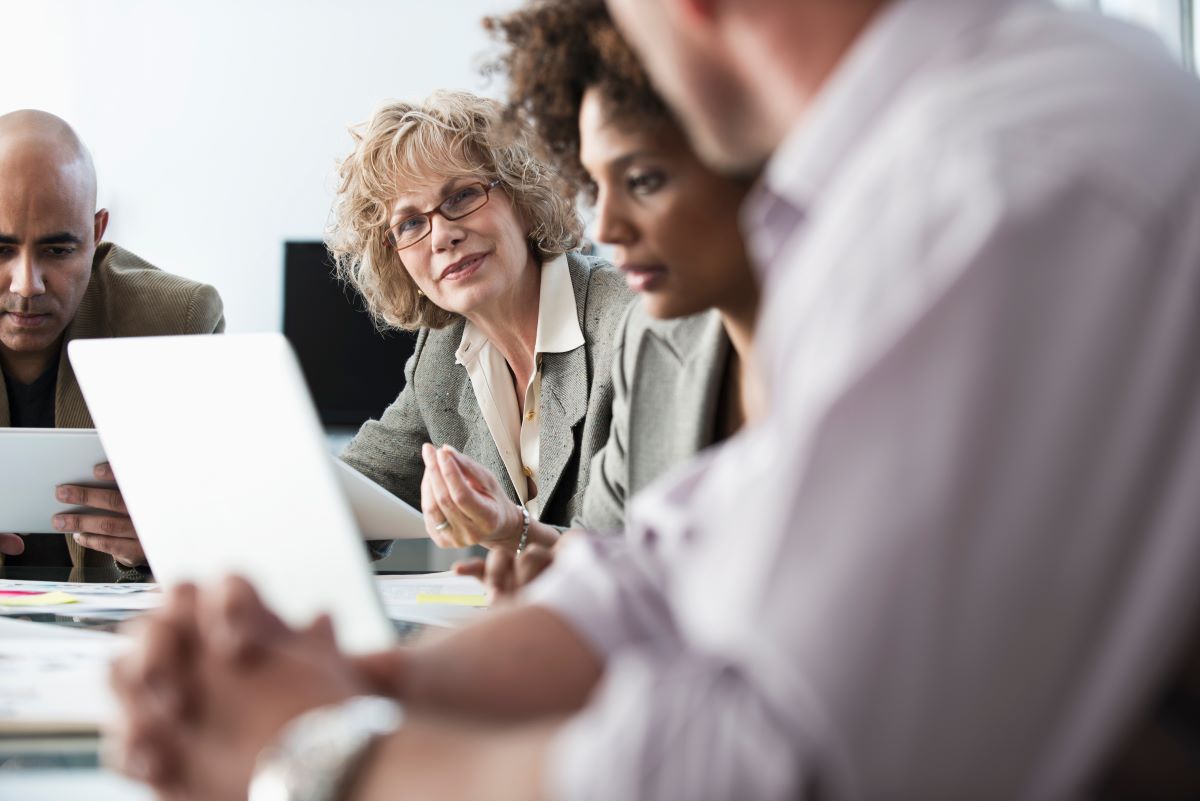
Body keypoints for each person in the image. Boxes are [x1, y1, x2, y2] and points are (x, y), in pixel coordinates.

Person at [109, 0, 1200, 799]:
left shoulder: (997, 183)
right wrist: (358, 675)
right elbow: (667, 572)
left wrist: (315, 755)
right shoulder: (891, 175)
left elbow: (775, 763)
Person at [455, 0, 761, 593]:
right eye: (597, 185)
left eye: (644, 180)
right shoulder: (653, 339)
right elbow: (603, 547)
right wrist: (531, 552)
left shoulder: (874, 341)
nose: (609, 228)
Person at [331, 90, 631, 555]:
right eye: (410, 224)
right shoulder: (443, 352)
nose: (443, 235)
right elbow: (355, 492)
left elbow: (654, 555)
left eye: (463, 195)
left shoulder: (629, 326)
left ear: (523, 197)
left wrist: (518, 533)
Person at [0, 110, 224, 577]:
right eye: (0, 250)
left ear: (97, 233)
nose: (26, 285)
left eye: (58, 250)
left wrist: (162, 546)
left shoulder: (176, 323)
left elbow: (228, 532)